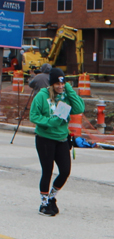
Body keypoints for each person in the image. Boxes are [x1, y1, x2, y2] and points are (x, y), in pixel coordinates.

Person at [29, 68, 85, 216]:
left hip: (62, 138)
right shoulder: (42, 96)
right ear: (52, 84)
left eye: (62, 83)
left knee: (65, 171)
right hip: (45, 138)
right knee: (47, 171)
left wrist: (69, 89)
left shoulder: (65, 96)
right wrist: (49, 122)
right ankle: (44, 203)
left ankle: (52, 197)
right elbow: (33, 116)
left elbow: (79, 108)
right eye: (57, 83)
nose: (60, 86)